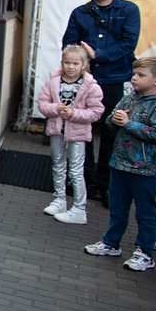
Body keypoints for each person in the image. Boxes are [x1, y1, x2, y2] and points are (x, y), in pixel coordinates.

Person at [61, 0, 142, 208]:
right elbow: (69, 44)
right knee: (81, 131)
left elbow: (129, 43)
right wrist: (82, 62)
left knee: (110, 132)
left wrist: (99, 54)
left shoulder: (128, 10)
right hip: (85, 81)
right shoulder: (80, 13)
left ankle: (105, 186)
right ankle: (83, 180)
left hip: (113, 79)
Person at [83, 56, 156, 272]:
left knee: (145, 213)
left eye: (141, 75)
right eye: (134, 74)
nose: (134, 78)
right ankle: (111, 243)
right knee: (118, 208)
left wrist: (129, 124)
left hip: (145, 170)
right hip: (119, 163)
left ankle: (144, 253)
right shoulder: (130, 97)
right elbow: (110, 121)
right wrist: (115, 120)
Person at [36, 45, 104, 225]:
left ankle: (79, 208)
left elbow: (96, 112)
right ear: (62, 62)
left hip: (78, 134)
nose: (70, 67)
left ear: (84, 65)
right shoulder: (53, 81)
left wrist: (74, 114)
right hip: (57, 131)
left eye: (75, 63)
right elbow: (42, 103)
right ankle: (59, 200)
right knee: (57, 165)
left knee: (76, 170)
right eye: (67, 62)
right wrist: (55, 109)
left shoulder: (91, 86)